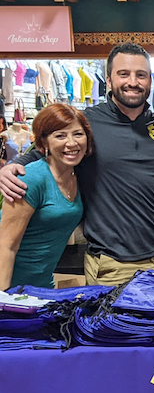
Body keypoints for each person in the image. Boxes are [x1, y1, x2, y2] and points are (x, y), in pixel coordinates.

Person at [0, 43, 154, 286]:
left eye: (141, 75)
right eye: (123, 74)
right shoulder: (87, 123)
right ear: (109, 79)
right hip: (112, 265)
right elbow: (49, 149)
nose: (133, 82)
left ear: (150, 80)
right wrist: (12, 166)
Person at [0, 103, 94, 289]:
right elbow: (5, 247)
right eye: (60, 136)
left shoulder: (78, 175)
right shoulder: (31, 179)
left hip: (41, 286)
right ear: (44, 142)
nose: (72, 143)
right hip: (11, 286)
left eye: (78, 134)